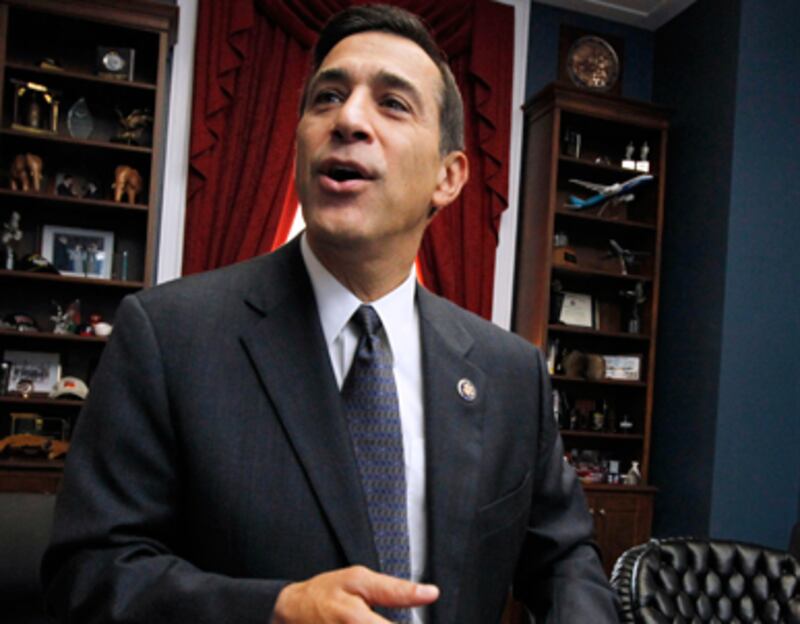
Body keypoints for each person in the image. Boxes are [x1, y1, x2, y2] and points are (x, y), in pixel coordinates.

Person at [42, 5, 620, 623]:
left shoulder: (511, 373)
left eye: (392, 103)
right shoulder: (167, 337)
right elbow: (90, 572)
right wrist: (274, 610)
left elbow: (565, 561)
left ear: (448, 178)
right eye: (327, 97)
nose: (347, 119)